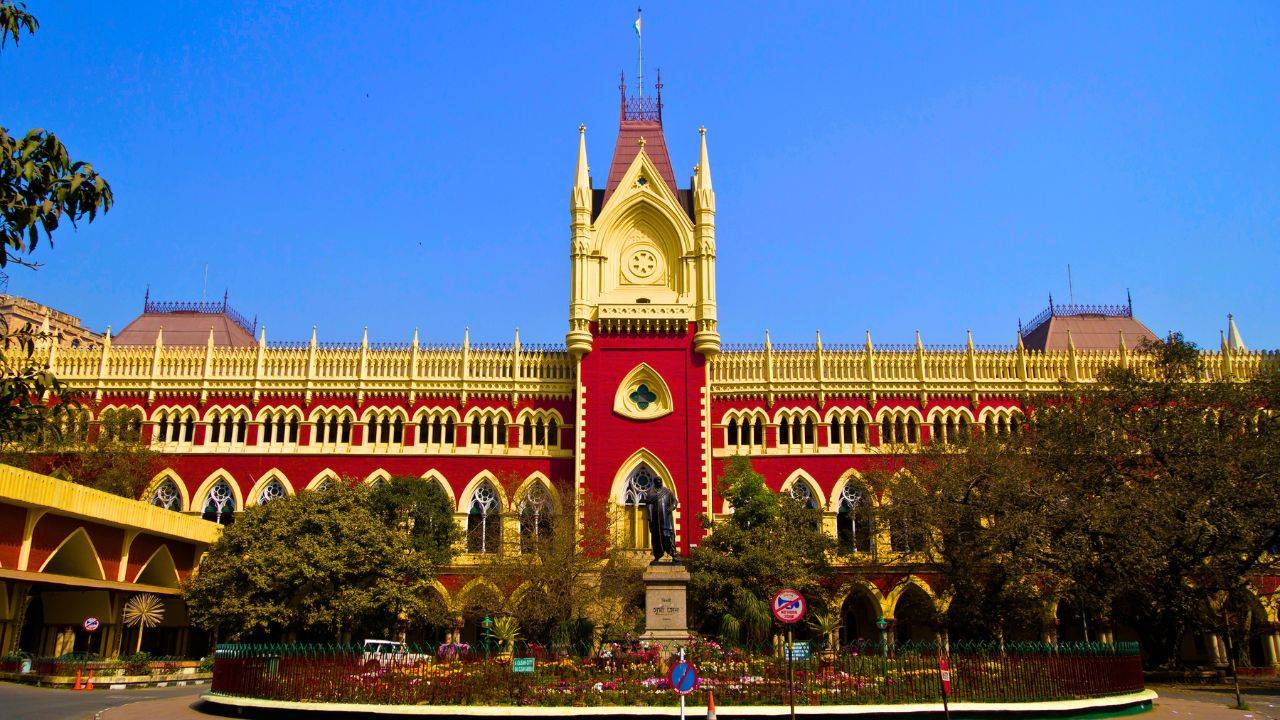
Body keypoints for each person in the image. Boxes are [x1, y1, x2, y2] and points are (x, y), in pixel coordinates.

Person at [646, 484, 679, 562]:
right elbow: (649, 506)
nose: (658, 482)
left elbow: (675, 502)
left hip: (666, 520)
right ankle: (657, 556)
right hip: (656, 522)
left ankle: (673, 555)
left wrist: (671, 508)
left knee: (668, 536)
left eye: (659, 481)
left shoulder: (667, 492)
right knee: (656, 538)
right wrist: (650, 517)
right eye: (657, 481)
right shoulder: (650, 493)